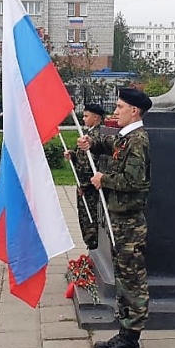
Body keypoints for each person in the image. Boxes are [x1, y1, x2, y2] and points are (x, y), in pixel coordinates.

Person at [78, 88, 152, 348]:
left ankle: (130, 342)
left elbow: (135, 181)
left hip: (130, 224)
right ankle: (124, 334)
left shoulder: (138, 140)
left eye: (120, 107)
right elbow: (112, 146)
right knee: (122, 278)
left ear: (134, 111)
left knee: (132, 282)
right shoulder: (126, 138)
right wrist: (92, 145)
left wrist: (103, 180)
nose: (115, 111)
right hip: (120, 221)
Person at [64, 104, 106, 251]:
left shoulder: (97, 136)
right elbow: (83, 159)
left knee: (90, 220)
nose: (83, 118)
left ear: (96, 117)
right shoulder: (88, 133)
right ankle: (91, 247)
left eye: (86, 116)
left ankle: (93, 247)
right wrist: (73, 155)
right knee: (84, 219)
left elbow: (93, 165)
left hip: (90, 188)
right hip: (84, 186)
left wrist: (83, 185)